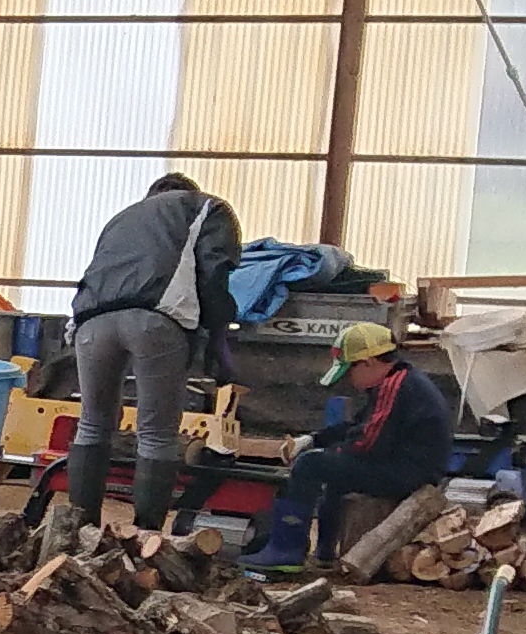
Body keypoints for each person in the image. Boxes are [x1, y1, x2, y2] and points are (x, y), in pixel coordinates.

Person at [50, 168, 239, 533]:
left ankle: (79, 531)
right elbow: (214, 273)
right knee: (156, 434)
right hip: (155, 320)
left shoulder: (120, 218)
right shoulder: (206, 208)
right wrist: (218, 336)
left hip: (90, 323)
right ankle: (146, 536)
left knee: (93, 425)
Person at [242, 318, 457, 566]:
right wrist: (313, 439)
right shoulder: (399, 381)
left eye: (350, 370)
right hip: (405, 465)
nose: (349, 379)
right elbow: (357, 426)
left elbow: (369, 442)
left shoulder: (395, 387)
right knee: (336, 470)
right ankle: (324, 551)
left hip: (411, 473)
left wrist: (327, 452)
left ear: (369, 362)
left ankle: (286, 549)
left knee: (311, 465)